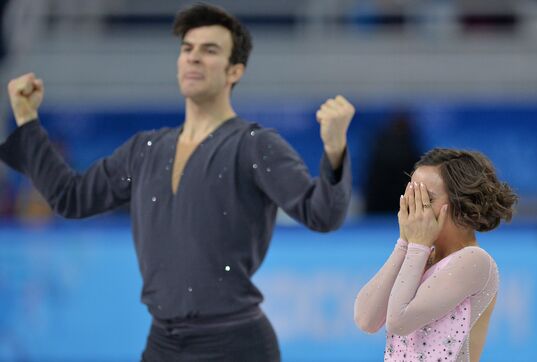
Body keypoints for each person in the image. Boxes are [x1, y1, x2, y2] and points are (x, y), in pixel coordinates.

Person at [0, 4, 355, 361]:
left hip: (236, 345)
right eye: (187, 49)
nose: (194, 58)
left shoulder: (254, 145)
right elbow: (71, 197)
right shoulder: (145, 150)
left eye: (209, 50)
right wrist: (27, 120)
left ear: (235, 71)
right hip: (163, 345)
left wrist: (335, 148)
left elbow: (321, 213)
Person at [354, 148, 517, 362]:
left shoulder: (475, 260)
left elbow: (398, 321)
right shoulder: (420, 255)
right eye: (411, 196)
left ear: (461, 203)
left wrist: (417, 246)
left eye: (425, 199)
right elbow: (366, 319)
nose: (414, 208)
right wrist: (404, 243)